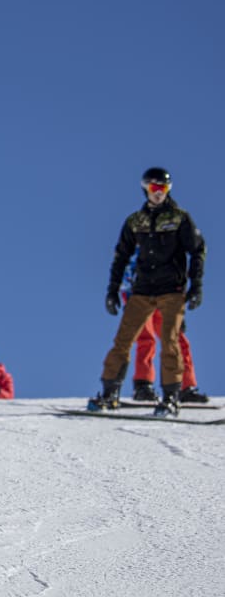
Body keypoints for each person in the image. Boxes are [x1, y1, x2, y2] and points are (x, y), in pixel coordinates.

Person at [89, 167, 205, 417]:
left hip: (171, 289)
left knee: (171, 341)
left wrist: (195, 286)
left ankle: (172, 396)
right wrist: (112, 290)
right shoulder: (135, 221)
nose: (158, 193)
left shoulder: (179, 218)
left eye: (163, 188)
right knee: (123, 340)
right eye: (154, 188)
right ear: (145, 189)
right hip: (141, 290)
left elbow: (197, 251)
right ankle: (109, 393)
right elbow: (121, 256)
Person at [121, 250, 209, 403]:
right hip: (139, 294)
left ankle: (186, 387)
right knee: (146, 338)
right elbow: (127, 266)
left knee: (177, 341)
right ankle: (143, 385)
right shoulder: (140, 238)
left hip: (165, 295)